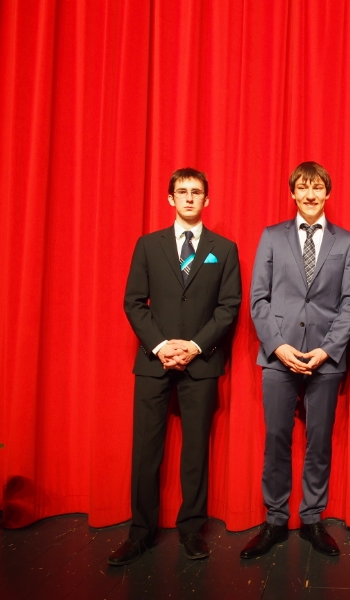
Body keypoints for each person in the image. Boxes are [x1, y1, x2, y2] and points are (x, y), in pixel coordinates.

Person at [109, 168, 242, 566]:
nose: (188, 198)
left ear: (206, 200)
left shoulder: (224, 249)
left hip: (201, 363)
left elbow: (229, 306)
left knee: (196, 450)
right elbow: (134, 302)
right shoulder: (148, 245)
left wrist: (195, 347)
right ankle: (141, 533)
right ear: (170, 199)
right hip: (154, 361)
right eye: (181, 192)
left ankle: (191, 530)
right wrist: (162, 345)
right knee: (146, 450)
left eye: (195, 192)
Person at [241, 161, 350, 559]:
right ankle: (275, 518)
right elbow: (258, 298)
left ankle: (311, 518)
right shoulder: (272, 237)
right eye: (303, 188)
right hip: (279, 356)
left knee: (319, 440)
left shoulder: (347, 241)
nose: (310, 194)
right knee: (277, 438)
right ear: (292, 193)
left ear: (328, 193)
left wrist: (328, 349)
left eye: (317, 187)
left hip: (326, 358)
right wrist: (278, 346)